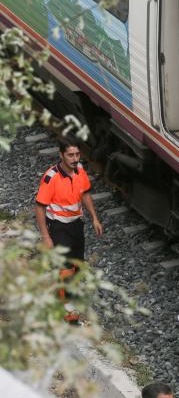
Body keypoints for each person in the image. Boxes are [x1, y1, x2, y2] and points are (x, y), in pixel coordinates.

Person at [34, 136, 103, 322]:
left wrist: (95, 218)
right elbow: (40, 207)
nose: (74, 158)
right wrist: (46, 237)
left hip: (75, 225)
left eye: (77, 154)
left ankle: (67, 301)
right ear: (61, 155)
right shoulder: (51, 177)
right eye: (70, 155)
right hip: (58, 227)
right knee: (65, 269)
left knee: (76, 266)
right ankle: (68, 316)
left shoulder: (80, 171)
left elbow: (85, 194)